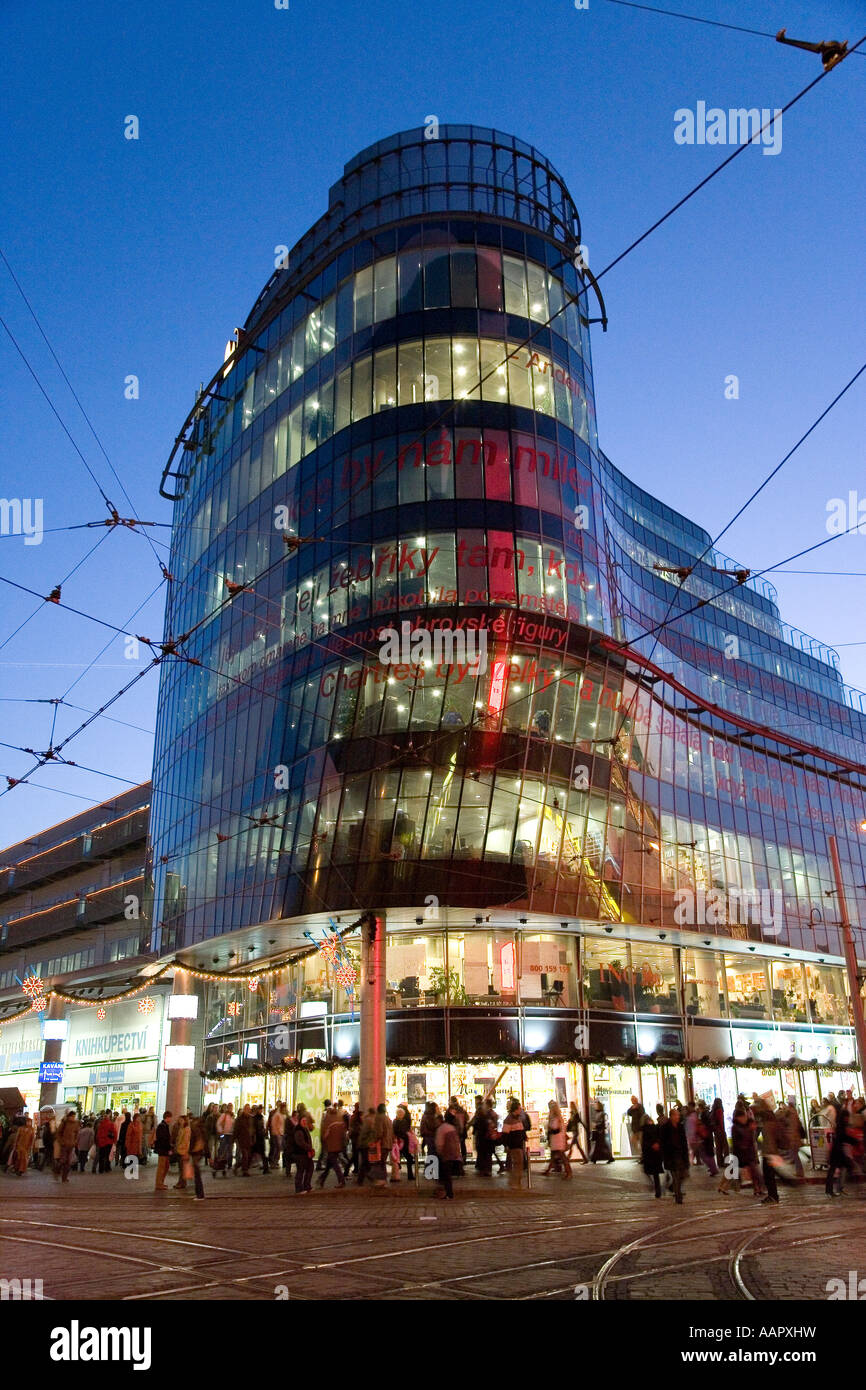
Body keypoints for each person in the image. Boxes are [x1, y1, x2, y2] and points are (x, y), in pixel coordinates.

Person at [729, 1103, 763, 1198]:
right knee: (751, 1173)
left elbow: (751, 1139)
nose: (744, 1118)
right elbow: (737, 1142)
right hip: (743, 1154)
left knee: (756, 1173)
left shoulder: (747, 1125)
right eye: (742, 1117)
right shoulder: (735, 1127)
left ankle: (758, 1188)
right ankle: (727, 1187)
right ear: (738, 1118)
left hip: (750, 1153)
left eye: (745, 1116)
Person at [661, 1108, 689, 1204]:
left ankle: (673, 1187)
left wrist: (686, 1155)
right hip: (671, 1156)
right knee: (676, 1176)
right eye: (676, 1115)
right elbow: (663, 1143)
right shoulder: (665, 1128)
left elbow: (684, 1142)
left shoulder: (680, 1127)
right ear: (672, 1116)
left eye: (678, 1115)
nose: (678, 1117)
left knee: (684, 1175)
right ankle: (678, 1196)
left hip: (680, 1154)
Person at [434, 1109, 461, 1199]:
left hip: (446, 1153)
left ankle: (447, 1193)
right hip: (454, 1153)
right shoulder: (452, 1128)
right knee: (448, 1175)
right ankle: (449, 1193)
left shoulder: (441, 1128)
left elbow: (439, 1143)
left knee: (445, 1175)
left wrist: (440, 1152)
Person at [318, 1106, 347, 1188]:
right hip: (338, 1145)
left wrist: (324, 1141)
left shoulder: (327, 1119)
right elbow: (343, 1132)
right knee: (329, 1164)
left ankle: (341, 1181)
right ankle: (321, 1180)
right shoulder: (340, 1118)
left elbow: (324, 1134)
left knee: (334, 1164)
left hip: (330, 1145)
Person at [502, 1098, 527, 1190]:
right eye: (519, 1109)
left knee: (519, 1164)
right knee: (518, 1163)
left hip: (519, 1144)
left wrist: (524, 1136)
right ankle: (515, 1182)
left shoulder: (518, 1118)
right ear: (515, 1109)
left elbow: (521, 1130)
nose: (521, 1110)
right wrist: (506, 1145)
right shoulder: (509, 1120)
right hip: (514, 1145)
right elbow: (505, 1134)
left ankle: (516, 1182)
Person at [543, 1100, 571, 1178]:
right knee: (554, 1156)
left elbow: (556, 1128)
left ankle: (569, 1172)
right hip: (556, 1139)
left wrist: (549, 1127)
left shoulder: (556, 1118)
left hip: (557, 1139)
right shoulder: (556, 1117)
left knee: (562, 1156)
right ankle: (548, 1170)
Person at [641, 1114, 664, 1197]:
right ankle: (658, 1190)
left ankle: (655, 1187)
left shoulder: (644, 1129)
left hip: (649, 1153)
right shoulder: (656, 1127)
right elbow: (660, 1139)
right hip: (656, 1153)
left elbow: (644, 1143)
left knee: (648, 1171)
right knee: (655, 1174)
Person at [55, 1109, 80, 1183]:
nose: (73, 1118)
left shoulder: (76, 1124)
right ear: (69, 1117)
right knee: (63, 1160)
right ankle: (57, 1169)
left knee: (68, 1162)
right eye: (72, 1116)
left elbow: (77, 1134)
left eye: (74, 1116)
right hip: (64, 1144)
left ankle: (64, 1178)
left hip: (71, 1145)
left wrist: (75, 1142)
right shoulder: (64, 1123)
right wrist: (61, 1141)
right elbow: (58, 1133)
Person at [392, 1103, 415, 1182]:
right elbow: (401, 1131)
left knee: (402, 1158)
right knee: (406, 1158)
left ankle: (401, 1174)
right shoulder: (399, 1122)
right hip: (400, 1142)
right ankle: (407, 1175)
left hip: (402, 1142)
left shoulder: (398, 1121)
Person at [293, 1113, 314, 1193]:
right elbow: (300, 1142)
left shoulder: (304, 1128)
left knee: (310, 1168)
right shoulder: (298, 1130)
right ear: (300, 1121)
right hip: (300, 1153)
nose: (305, 1122)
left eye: (305, 1120)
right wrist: (309, 1148)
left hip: (305, 1153)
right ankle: (299, 1188)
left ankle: (307, 1186)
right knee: (301, 1170)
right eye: (303, 1120)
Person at [153, 1111, 173, 1191]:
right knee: (162, 1168)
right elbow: (163, 1139)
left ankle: (161, 1182)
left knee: (165, 1167)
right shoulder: (162, 1126)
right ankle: (159, 1184)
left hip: (164, 1149)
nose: (171, 1119)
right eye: (170, 1117)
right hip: (162, 1150)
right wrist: (168, 1148)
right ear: (167, 1117)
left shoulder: (165, 1126)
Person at [173, 1114, 192, 1189]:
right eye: (179, 1120)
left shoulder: (187, 1129)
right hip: (180, 1150)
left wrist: (179, 1148)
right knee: (181, 1168)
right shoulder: (181, 1128)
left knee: (182, 1168)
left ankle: (181, 1183)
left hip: (183, 1151)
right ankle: (182, 1182)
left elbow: (186, 1141)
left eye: (181, 1120)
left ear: (185, 1121)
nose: (179, 1121)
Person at [234, 1104, 253, 1176]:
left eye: (249, 1109)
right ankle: (245, 1171)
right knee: (245, 1155)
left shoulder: (251, 1118)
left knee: (248, 1156)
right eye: (246, 1109)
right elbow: (236, 1129)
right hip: (242, 1140)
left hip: (249, 1140)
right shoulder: (239, 1119)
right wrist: (234, 1139)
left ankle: (237, 1166)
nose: (248, 1110)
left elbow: (252, 1129)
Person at [216, 1104, 235, 1175]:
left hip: (230, 1135)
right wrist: (221, 1131)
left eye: (231, 1107)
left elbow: (233, 1125)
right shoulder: (224, 1115)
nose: (231, 1109)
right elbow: (218, 1123)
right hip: (225, 1134)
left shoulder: (232, 1116)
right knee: (222, 1149)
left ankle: (229, 1164)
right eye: (229, 1107)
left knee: (230, 1149)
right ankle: (221, 1163)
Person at [710, 1099, 729, 1170]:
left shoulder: (713, 1111)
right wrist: (723, 1130)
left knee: (718, 1147)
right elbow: (721, 1122)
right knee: (725, 1146)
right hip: (720, 1130)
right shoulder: (719, 1110)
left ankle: (719, 1162)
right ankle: (726, 1162)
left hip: (715, 1131)